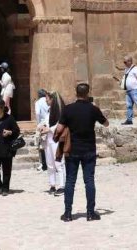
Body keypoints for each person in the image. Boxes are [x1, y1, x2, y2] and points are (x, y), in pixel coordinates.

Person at [56, 82, 109, 222]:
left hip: (72, 149)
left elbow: (59, 129)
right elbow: (106, 123)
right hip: (89, 149)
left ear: (76, 93)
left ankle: (67, 214)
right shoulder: (93, 109)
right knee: (89, 181)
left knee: (70, 181)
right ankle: (91, 213)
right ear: (88, 93)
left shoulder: (68, 109)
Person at [44, 91, 67, 195]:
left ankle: (62, 185)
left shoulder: (60, 112)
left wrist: (48, 129)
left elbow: (59, 125)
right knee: (50, 163)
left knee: (59, 162)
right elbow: (45, 122)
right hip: (48, 140)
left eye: (47, 98)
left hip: (56, 140)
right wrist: (41, 126)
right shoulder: (49, 111)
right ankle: (52, 184)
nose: (46, 100)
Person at [119, 56, 137, 125]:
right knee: (129, 105)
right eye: (124, 62)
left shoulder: (136, 69)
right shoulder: (126, 69)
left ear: (130, 61)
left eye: (125, 62)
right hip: (128, 90)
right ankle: (129, 120)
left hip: (135, 89)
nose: (124, 63)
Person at [34, 89, 50, 172]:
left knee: (40, 146)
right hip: (49, 123)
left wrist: (38, 124)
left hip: (41, 124)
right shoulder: (49, 101)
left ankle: (43, 164)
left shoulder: (38, 102)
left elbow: (37, 113)